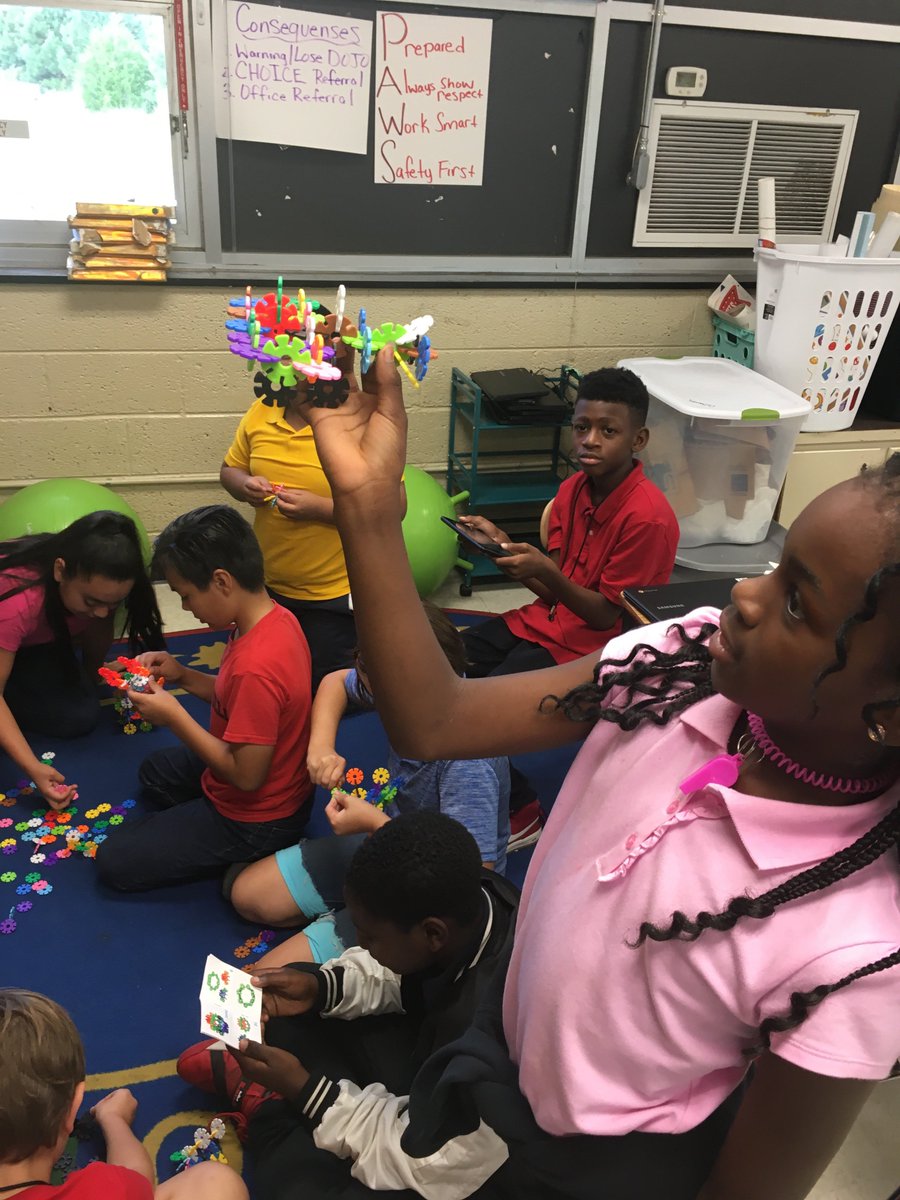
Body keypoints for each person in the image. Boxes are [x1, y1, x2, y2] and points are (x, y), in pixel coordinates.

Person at [287, 346, 900, 1199]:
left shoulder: (855, 953)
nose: (745, 596)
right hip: (508, 1029)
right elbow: (433, 718)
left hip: (583, 1161)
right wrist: (365, 509)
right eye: (776, 563)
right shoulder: (677, 663)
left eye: (796, 601)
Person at [177, 812, 520, 1197]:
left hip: (468, 1166)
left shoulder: (495, 1052)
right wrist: (320, 987)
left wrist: (304, 1090)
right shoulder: (480, 898)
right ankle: (285, 1093)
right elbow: (403, 974)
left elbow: (428, 1162)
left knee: (297, 1184)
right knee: (294, 999)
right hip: (436, 1065)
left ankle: (271, 1113)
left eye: (369, 935)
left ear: (432, 933)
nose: (358, 942)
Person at [457, 367, 679, 848]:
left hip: (595, 650)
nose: (590, 441)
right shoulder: (571, 492)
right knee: (446, 659)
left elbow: (604, 617)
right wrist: (502, 547)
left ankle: (522, 808)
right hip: (544, 625)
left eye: (608, 430)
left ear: (637, 438)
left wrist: (547, 572)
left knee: (480, 709)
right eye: (582, 428)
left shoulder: (648, 518)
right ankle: (464, 781)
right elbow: (554, 595)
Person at [227, 602, 510, 962]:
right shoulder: (406, 685)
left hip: (430, 894)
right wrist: (321, 749)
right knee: (248, 896)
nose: (366, 688)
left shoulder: (468, 763)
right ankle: (347, 912)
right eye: (363, 670)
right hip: (389, 842)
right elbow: (335, 683)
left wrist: (375, 824)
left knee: (269, 977)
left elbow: (469, 883)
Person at [95, 505, 313, 892]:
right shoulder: (274, 619)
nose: (185, 608)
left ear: (222, 581)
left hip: (258, 816)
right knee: (154, 771)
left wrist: (175, 716)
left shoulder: (256, 665)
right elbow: (239, 701)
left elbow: (247, 777)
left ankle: (257, 853)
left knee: (115, 860)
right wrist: (183, 675)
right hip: (275, 774)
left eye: (187, 595)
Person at [0, 987, 248, 1200]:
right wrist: (113, 1119)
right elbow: (135, 1178)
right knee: (215, 1181)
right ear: (73, 1106)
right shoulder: (105, 1190)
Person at [0, 511, 163, 810]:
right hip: (10, 634)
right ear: (60, 570)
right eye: (91, 602)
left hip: (30, 646)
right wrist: (31, 767)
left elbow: (98, 631)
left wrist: (92, 675)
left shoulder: (101, 585)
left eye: (112, 604)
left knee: (79, 714)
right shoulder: (18, 601)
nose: (103, 613)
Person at [220, 359, 358, 693]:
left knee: (326, 691)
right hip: (266, 587)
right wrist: (245, 485)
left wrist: (321, 509)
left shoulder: (354, 422)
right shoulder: (262, 409)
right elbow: (229, 470)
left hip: (332, 594)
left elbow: (392, 508)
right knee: (258, 682)